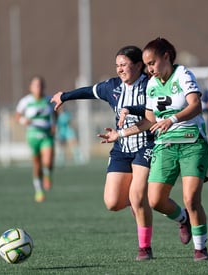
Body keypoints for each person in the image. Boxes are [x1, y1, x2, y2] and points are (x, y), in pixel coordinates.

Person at [99, 38, 208, 261]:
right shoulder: (151, 84)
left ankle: (200, 249)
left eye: (152, 63)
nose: (149, 69)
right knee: (155, 201)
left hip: (192, 144)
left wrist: (172, 119)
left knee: (191, 199)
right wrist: (119, 134)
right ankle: (183, 219)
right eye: (147, 65)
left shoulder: (183, 75)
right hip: (165, 146)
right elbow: (149, 121)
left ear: (167, 57)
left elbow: (196, 105)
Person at [50, 45, 154, 261]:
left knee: (137, 196)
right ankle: (142, 204)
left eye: (124, 65)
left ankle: (145, 248)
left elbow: (151, 116)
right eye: (117, 65)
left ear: (138, 65)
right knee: (112, 203)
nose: (120, 69)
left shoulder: (151, 85)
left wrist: (126, 122)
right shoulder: (113, 87)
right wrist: (65, 96)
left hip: (147, 145)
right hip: (120, 148)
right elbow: (90, 91)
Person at [15, 75, 55, 203]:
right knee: (37, 164)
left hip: (46, 135)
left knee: (47, 162)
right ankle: (38, 190)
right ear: (31, 87)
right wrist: (23, 120)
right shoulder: (25, 101)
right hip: (32, 135)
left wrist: (54, 125)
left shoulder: (49, 100)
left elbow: (56, 113)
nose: (38, 88)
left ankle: (47, 175)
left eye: (40, 85)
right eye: (36, 85)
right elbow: (17, 116)